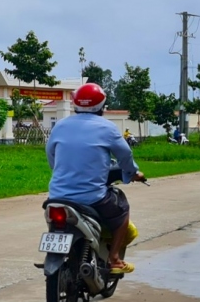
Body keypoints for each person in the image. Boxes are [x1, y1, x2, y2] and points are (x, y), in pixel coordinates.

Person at [46, 83, 145, 274]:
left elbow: (51, 156)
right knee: (122, 209)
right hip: (92, 198)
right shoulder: (107, 128)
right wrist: (132, 173)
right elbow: (125, 156)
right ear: (101, 106)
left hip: (56, 196)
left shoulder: (60, 125)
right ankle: (114, 259)